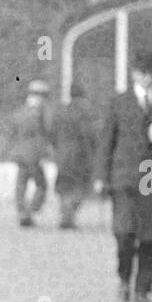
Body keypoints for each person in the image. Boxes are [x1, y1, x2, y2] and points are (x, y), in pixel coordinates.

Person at [94, 50, 152, 302]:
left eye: (151, 73)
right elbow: (106, 140)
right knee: (124, 233)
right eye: (141, 73)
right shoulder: (118, 102)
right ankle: (124, 278)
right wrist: (101, 175)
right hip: (123, 177)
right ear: (134, 73)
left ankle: (143, 288)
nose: (146, 78)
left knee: (150, 236)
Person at [51, 82, 95, 229]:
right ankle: (69, 215)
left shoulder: (61, 111)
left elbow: (52, 134)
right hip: (79, 155)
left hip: (62, 155)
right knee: (80, 186)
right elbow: (88, 134)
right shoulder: (84, 112)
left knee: (64, 187)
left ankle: (66, 214)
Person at [9, 80, 52, 227]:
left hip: (20, 154)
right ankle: (31, 210)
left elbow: (13, 131)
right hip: (34, 155)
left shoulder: (20, 112)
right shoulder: (41, 113)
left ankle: (22, 212)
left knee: (21, 185)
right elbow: (46, 131)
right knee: (42, 185)